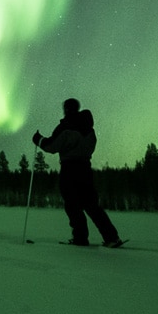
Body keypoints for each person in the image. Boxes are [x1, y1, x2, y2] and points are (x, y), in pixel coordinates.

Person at [33, 98, 124, 248]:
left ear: (67, 109)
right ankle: (111, 237)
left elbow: (52, 146)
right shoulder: (89, 128)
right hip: (85, 168)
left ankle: (80, 238)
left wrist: (38, 139)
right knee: (91, 205)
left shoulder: (65, 127)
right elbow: (90, 146)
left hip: (70, 169)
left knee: (72, 205)